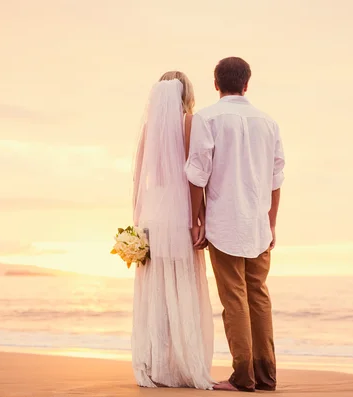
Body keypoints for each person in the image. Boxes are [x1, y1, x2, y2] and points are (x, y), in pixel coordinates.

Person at [186, 57, 285, 392]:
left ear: (216, 84)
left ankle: (244, 376)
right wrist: (271, 223)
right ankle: (267, 375)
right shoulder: (268, 122)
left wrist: (195, 219)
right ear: (247, 83)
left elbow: (198, 173)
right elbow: (276, 178)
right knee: (258, 296)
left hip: (225, 222)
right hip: (258, 224)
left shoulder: (207, 118)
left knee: (235, 299)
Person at [131, 71, 215, 389]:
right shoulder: (189, 122)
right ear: (186, 93)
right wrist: (200, 218)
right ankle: (184, 365)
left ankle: (156, 365)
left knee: (157, 295)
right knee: (184, 291)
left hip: (153, 216)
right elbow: (196, 175)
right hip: (180, 217)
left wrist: (137, 223)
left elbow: (139, 179)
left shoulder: (149, 129)